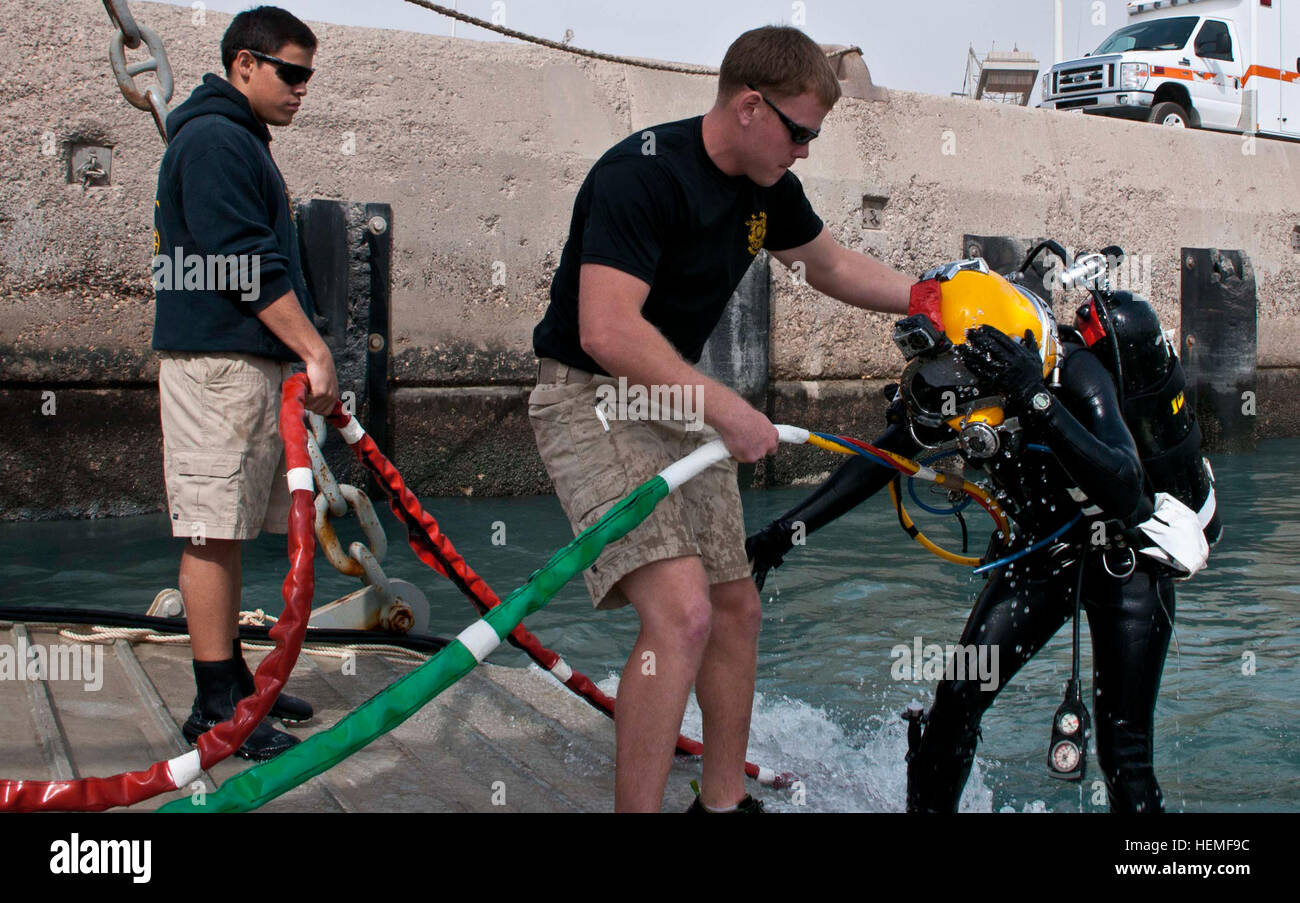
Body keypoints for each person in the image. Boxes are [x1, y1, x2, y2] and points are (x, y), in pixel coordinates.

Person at [528, 25, 913, 812]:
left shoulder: (769, 190)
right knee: (683, 613)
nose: (805, 150)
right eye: (799, 131)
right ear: (748, 106)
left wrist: (935, 298)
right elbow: (606, 327)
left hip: (670, 399)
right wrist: (724, 405)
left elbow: (831, 266)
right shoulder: (640, 176)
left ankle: (722, 802)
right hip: (588, 398)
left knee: (736, 605)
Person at [747, 257, 1219, 812]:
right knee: (956, 702)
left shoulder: (1078, 373)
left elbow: (1124, 484)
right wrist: (783, 534)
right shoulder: (954, 375)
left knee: (1124, 750)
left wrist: (1033, 399)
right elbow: (880, 460)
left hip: (1126, 561)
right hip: (1039, 551)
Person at [153, 6, 337, 760]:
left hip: (241, 365)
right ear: (245, 65)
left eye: (309, 77)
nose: (302, 90)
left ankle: (229, 675)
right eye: (291, 73)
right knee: (211, 527)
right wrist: (315, 350)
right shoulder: (217, 140)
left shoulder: (232, 138)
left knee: (228, 525)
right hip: (215, 366)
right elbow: (242, 262)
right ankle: (215, 706)